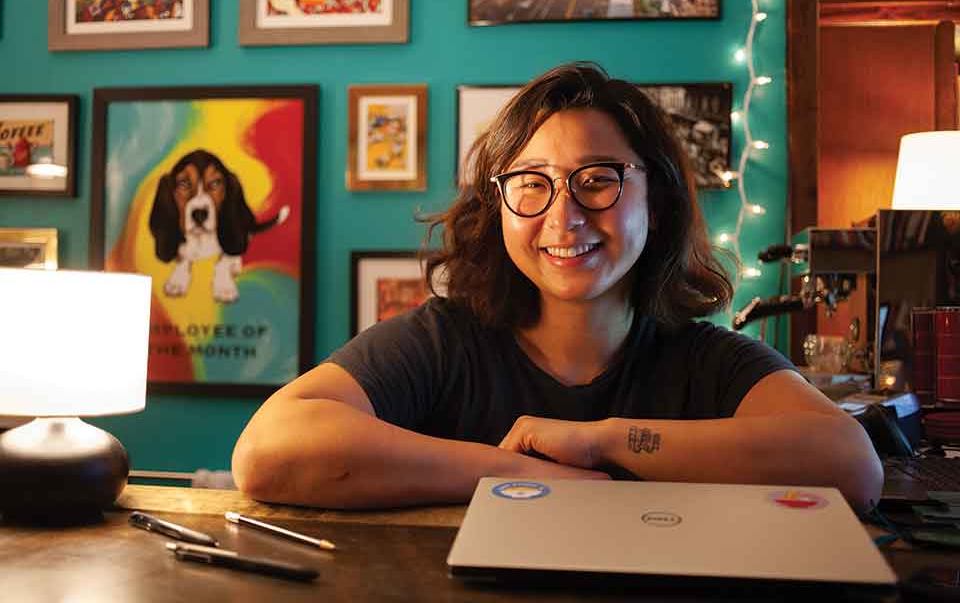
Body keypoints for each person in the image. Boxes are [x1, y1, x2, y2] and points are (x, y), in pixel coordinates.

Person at [232, 62, 882, 512]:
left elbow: (852, 466)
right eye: (532, 183)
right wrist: (516, 470)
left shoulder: (704, 359)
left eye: (597, 179)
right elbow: (268, 453)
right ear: (501, 205)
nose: (563, 217)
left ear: (654, 201)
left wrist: (601, 440)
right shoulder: (442, 342)